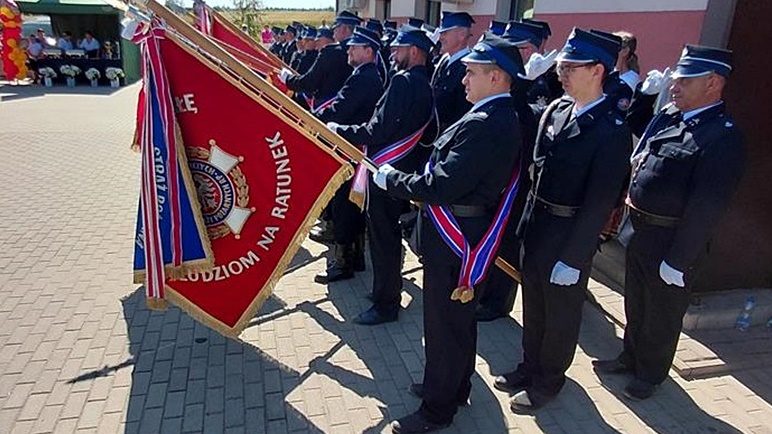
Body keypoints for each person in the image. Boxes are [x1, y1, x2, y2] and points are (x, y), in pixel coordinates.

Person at [372, 32, 524, 434]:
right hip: (460, 227)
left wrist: (392, 180)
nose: (463, 79)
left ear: (496, 77)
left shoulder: (488, 123)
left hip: (457, 233)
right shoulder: (491, 115)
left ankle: (436, 410)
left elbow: (442, 183)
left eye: (472, 72)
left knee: (443, 325)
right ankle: (454, 387)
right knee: (457, 321)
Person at [592, 45, 744, 401]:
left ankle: (650, 373)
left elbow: (707, 206)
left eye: (685, 81)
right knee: (636, 303)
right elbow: (639, 144)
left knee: (662, 313)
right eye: (676, 79)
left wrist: (678, 260)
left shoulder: (722, 136)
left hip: (672, 239)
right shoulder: (670, 117)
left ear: (713, 83)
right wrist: (645, 99)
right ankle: (630, 357)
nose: (674, 86)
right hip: (640, 231)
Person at [494, 28, 632, 412]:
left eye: (572, 67)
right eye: (562, 66)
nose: (562, 73)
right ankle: (529, 366)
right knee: (534, 305)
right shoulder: (556, 110)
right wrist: (523, 226)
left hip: (569, 233)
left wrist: (574, 257)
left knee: (560, 315)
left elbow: (599, 202)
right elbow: (536, 171)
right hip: (538, 225)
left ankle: (549, 380)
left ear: (598, 70)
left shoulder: (611, 130)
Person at [329, 25, 435, 326]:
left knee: (383, 239)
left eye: (399, 49)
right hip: (403, 168)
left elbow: (379, 129)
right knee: (388, 237)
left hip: (386, 171)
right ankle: (385, 290)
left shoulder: (403, 81)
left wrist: (341, 130)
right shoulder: (424, 82)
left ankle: (386, 303)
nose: (393, 54)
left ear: (414, 51)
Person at [313, 26, 384, 284]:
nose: (349, 50)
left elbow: (339, 110)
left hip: (351, 148)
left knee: (345, 206)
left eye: (355, 47)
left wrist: (311, 118)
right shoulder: (367, 75)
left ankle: (343, 263)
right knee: (352, 206)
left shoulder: (363, 78)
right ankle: (356, 258)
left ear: (369, 51)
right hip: (356, 148)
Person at [281, 11, 359, 243]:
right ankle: (342, 230)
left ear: (344, 29)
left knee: (334, 178)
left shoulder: (331, 53)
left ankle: (334, 227)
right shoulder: (366, 57)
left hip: (330, 122)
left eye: (336, 28)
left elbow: (309, 82)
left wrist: (287, 80)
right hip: (353, 126)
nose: (334, 32)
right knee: (348, 182)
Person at [432, 11, 474, 132]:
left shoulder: (468, 66)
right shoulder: (444, 61)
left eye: (445, 33)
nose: (440, 38)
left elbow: (463, 112)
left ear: (461, 35)